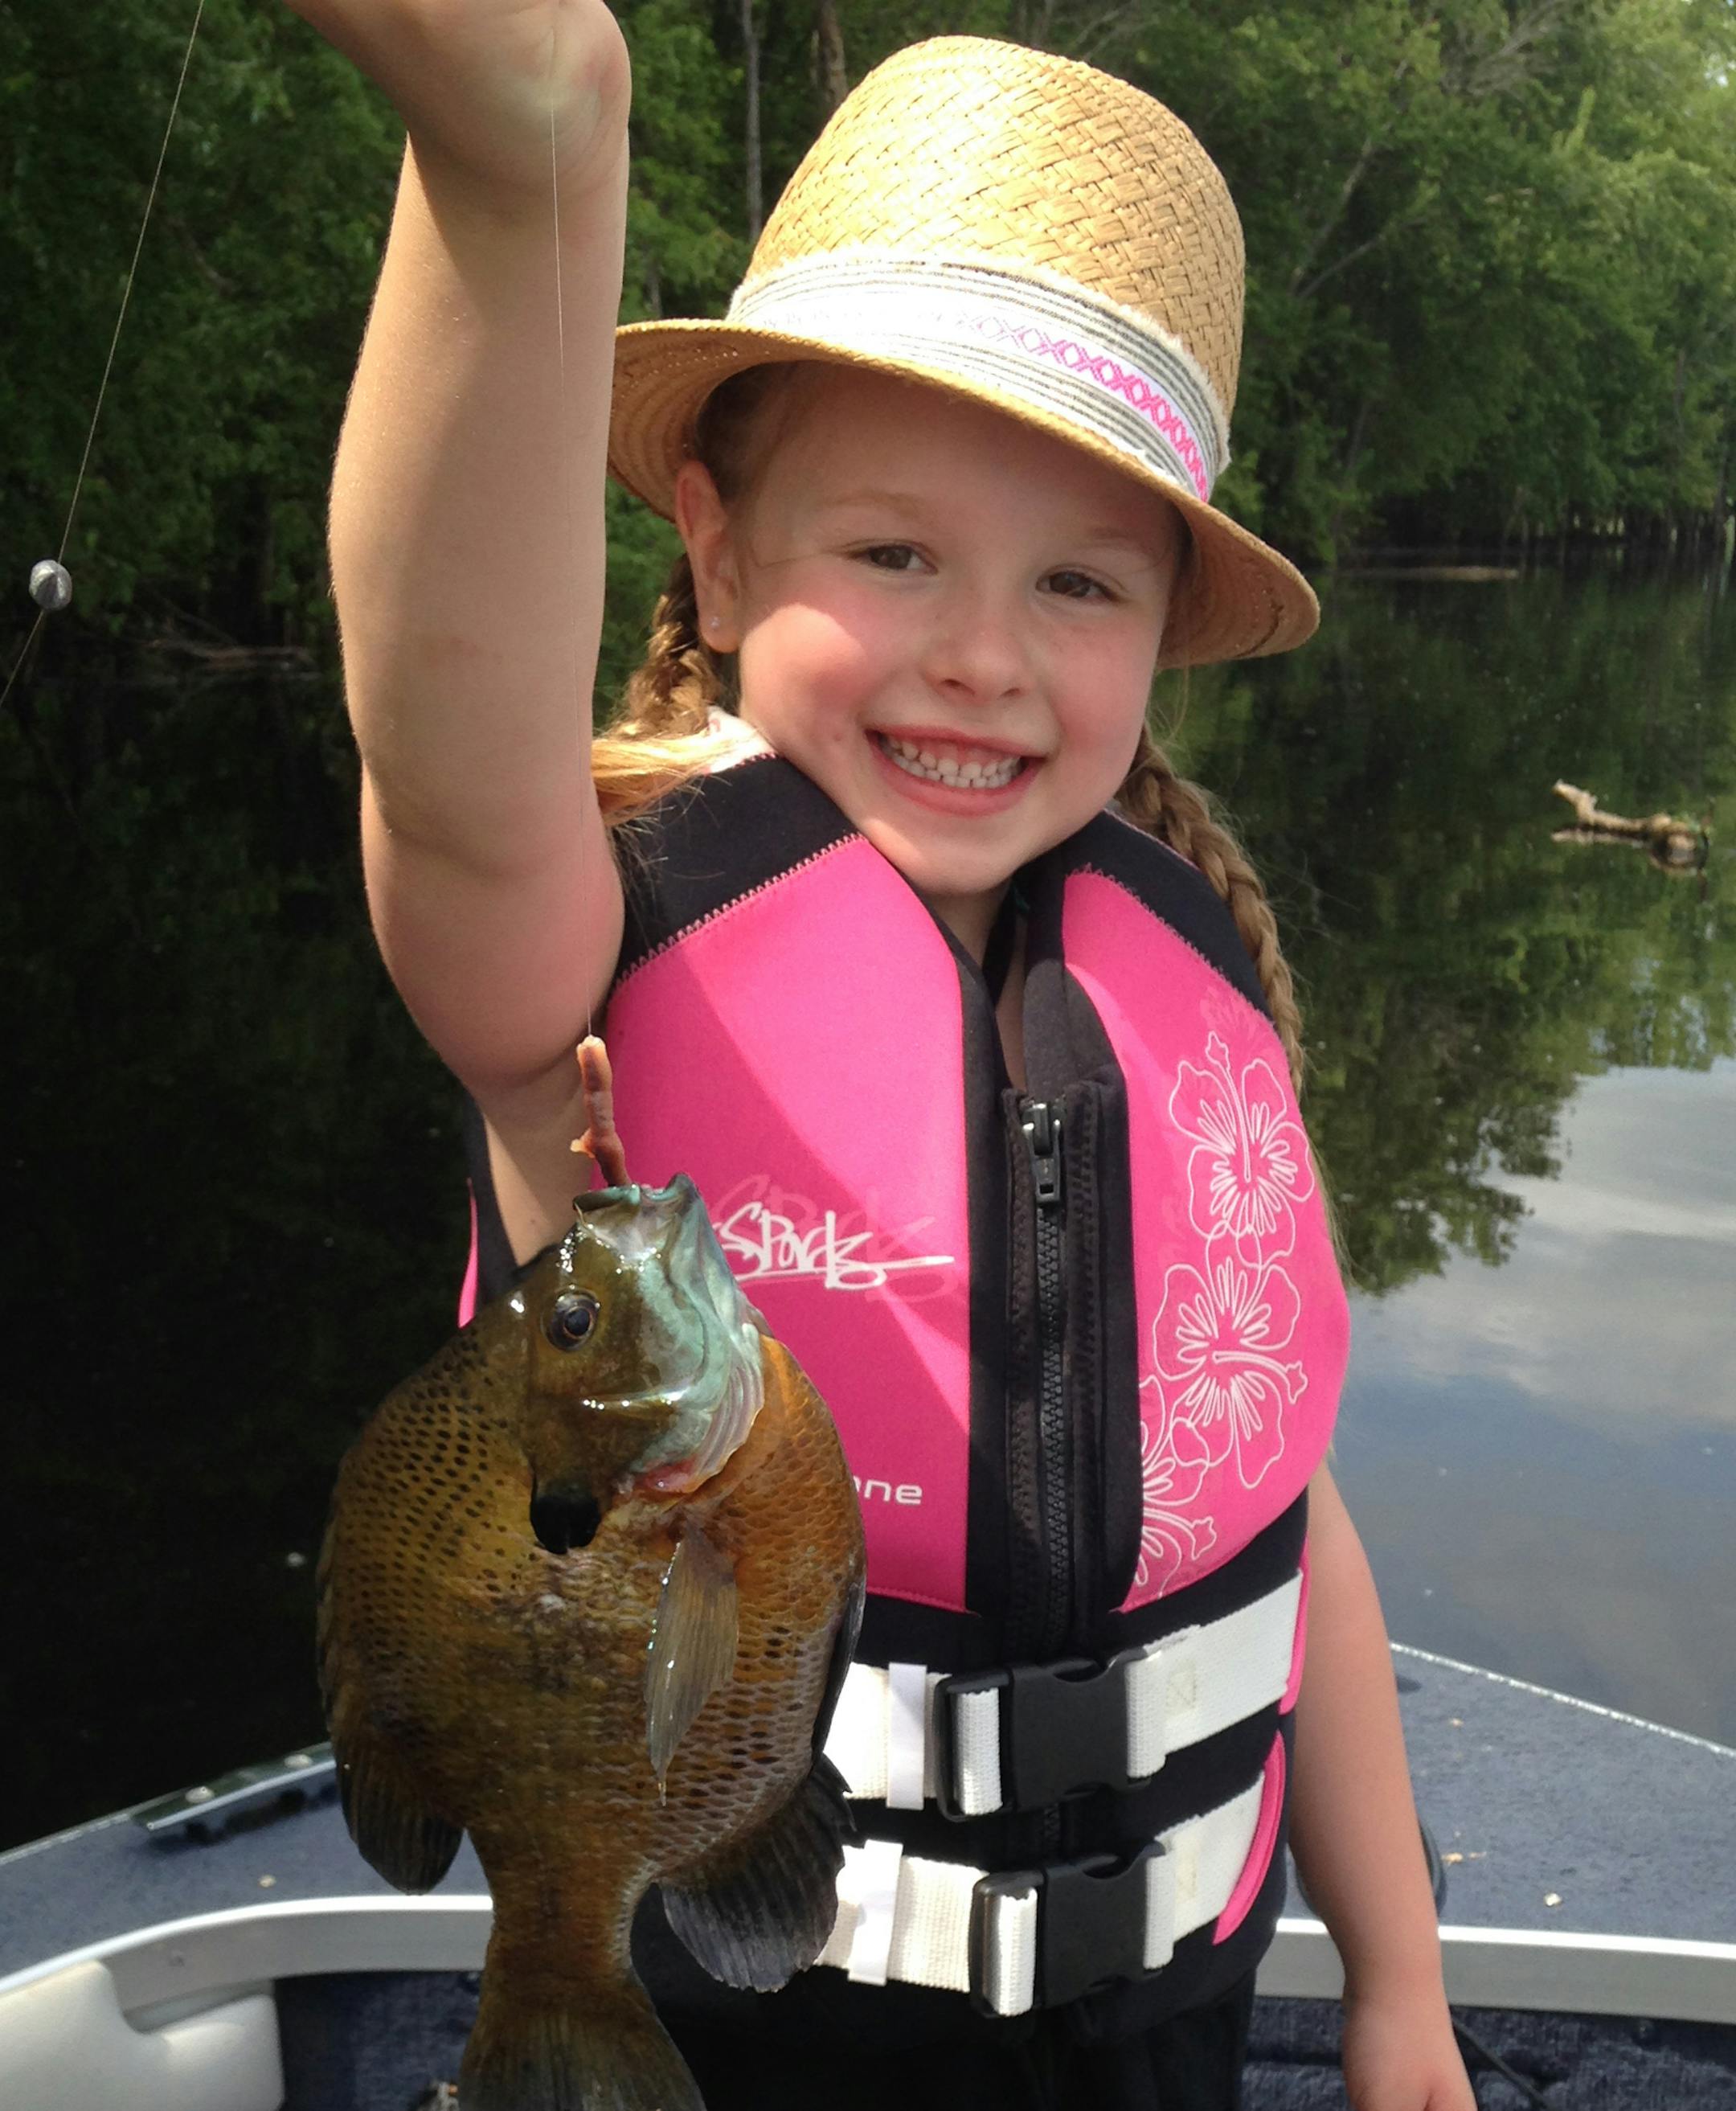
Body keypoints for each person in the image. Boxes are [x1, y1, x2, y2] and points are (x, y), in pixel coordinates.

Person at [290, 3, 1476, 2105]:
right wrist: (519, 166)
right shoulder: (588, 953)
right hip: (722, 2020)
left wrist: (1397, 1983)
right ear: (722, 551)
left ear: (1161, 628)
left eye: (1078, 582)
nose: (984, 655)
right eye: (892, 551)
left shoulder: (1189, 967)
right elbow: (442, 739)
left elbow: (1288, 1522)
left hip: (1156, 2024)